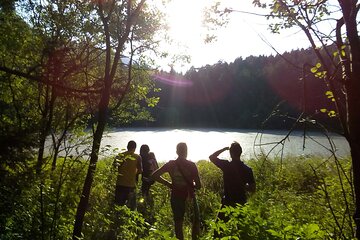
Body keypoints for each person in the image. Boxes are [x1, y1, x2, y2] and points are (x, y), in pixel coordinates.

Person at [151, 142, 201, 240]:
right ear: (186, 151)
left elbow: (154, 175)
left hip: (176, 197)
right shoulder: (191, 165)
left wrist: (168, 184)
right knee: (195, 221)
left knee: (178, 223)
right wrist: (192, 185)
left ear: (176, 151)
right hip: (189, 197)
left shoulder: (171, 164)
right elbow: (199, 186)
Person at [209, 142, 256, 222]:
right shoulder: (247, 169)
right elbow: (253, 189)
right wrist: (243, 186)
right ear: (240, 153)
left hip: (227, 202)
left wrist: (224, 149)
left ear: (231, 153)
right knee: (240, 228)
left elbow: (212, 157)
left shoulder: (226, 165)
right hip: (241, 202)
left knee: (218, 229)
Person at [114, 140, 142, 210]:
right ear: (135, 148)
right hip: (131, 185)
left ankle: (117, 219)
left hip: (120, 184)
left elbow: (113, 168)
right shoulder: (137, 157)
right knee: (131, 207)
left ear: (127, 147)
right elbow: (140, 170)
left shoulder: (120, 156)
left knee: (118, 205)